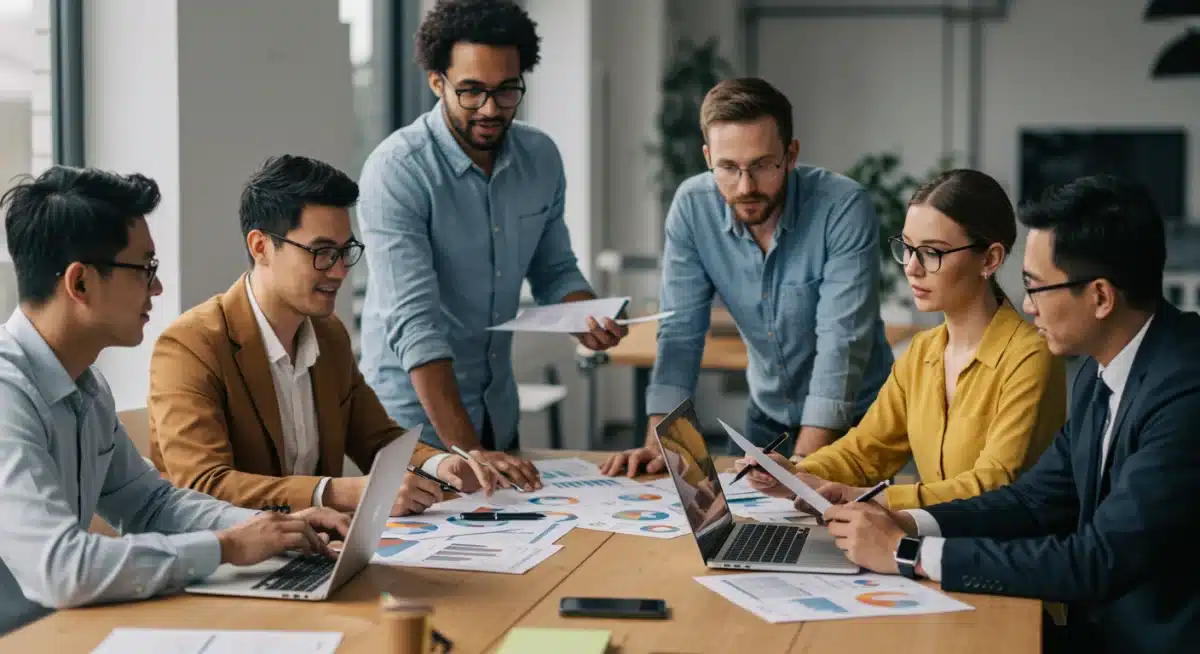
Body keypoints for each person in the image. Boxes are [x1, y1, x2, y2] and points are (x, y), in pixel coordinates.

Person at [818, 175, 1200, 653]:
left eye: (1036, 287)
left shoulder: (1185, 391)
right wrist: (906, 524)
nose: (1025, 305)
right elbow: (1031, 501)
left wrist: (906, 553)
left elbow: (1098, 560)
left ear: (1101, 297)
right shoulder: (1098, 372)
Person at [0, 167, 350, 635]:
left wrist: (268, 527)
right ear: (80, 284)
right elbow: (61, 568)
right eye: (145, 269)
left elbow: (150, 504)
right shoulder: (7, 394)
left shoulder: (86, 385)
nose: (158, 289)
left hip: (61, 630)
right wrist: (225, 547)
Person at [356, 0, 627, 491]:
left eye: (506, 91)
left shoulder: (540, 158)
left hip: (496, 413)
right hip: (412, 426)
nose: (490, 108)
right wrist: (471, 453)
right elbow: (416, 324)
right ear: (437, 82)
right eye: (471, 91)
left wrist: (585, 315)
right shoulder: (397, 170)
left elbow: (555, 269)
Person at [147, 156, 501, 517]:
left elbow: (376, 439)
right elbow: (204, 485)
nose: (340, 270)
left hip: (314, 550)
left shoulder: (328, 335)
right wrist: (338, 492)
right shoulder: (191, 345)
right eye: (322, 252)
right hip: (222, 561)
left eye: (345, 251)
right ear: (261, 247)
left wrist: (441, 465)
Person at [601, 77, 892, 477]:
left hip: (855, 423)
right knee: (757, 536)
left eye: (761, 165)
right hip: (767, 416)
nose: (745, 187)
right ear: (707, 157)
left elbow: (841, 341)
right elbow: (680, 333)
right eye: (728, 167)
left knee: (844, 534)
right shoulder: (692, 208)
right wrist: (662, 445)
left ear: (790, 155)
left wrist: (805, 467)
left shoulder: (842, 207)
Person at [736, 169, 1066, 510]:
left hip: (1004, 552)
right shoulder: (923, 351)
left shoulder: (1030, 356)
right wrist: (795, 473)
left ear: (990, 259)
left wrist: (870, 498)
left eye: (932, 252)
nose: (911, 266)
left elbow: (992, 484)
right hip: (935, 541)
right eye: (907, 248)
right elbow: (865, 451)